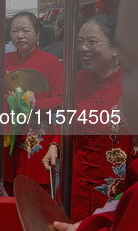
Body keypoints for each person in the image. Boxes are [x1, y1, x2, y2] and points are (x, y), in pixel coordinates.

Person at [41, 15, 133, 223]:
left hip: (116, 182)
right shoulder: (75, 80)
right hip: (76, 177)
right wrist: (55, 144)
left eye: (92, 42)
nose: (83, 49)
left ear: (116, 47)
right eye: (80, 42)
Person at [0, 11, 63, 193]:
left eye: (25, 30)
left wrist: (35, 104)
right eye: (15, 31)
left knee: (36, 188)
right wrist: (0, 99)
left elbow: (61, 100)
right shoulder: (4, 61)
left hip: (36, 133)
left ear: (38, 33)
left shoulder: (51, 62)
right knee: (7, 184)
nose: (20, 35)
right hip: (9, 135)